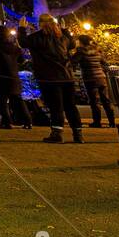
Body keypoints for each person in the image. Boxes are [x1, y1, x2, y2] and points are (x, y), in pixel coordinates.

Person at [20, 14, 83, 143]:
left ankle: (57, 132)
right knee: (71, 106)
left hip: (49, 77)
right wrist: (64, 30)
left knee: (56, 106)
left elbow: (23, 42)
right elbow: (71, 44)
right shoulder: (62, 37)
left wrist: (21, 28)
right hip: (66, 76)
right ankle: (78, 133)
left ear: (40, 24)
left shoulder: (37, 38)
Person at [0, 25, 32, 130]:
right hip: (13, 76)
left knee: (2, 101)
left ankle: (6, 122)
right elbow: (21, 60)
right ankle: (28, 121)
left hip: (0, 76)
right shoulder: (14, 47)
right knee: (18, 99)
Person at [72, 34, 114, 128]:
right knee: (106, 100)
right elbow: (105, 64)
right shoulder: (97, 51)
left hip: (90, 79)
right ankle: (112, 122)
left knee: (94, 101)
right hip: (101, 78)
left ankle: (97, 122)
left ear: (81, 42)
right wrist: (101, 70)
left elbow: (72, 62)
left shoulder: (81, 52)